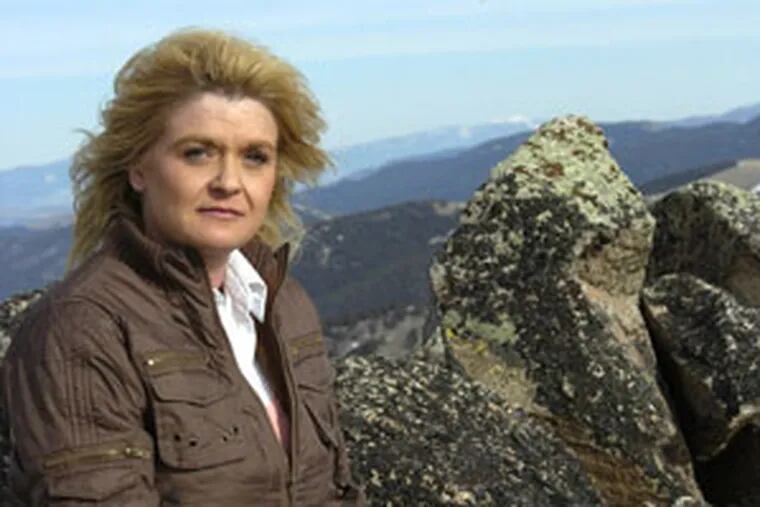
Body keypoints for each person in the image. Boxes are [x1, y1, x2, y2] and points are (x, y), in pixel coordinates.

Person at [1, 28, 365, 506]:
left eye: (255, 157)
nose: (229, 182)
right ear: (138, 168)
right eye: (198, 153)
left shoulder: (283, 306)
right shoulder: (83, 330)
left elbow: (333, 489)